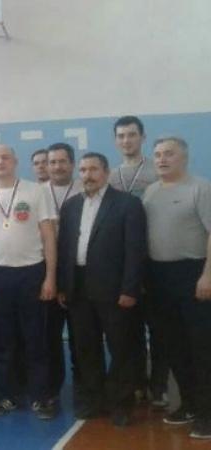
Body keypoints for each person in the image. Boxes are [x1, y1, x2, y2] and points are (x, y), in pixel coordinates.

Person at [57, 152, 147, 427]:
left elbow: (136, 250)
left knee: (121, 348)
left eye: (94, 169)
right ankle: (94, 401)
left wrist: (130, 288)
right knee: (86, 348)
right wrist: (64, 285)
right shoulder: (71, 206)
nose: (88, 175)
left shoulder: (127, 204)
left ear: (106, 172)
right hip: (78, 288)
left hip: (115, 289)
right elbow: (65, 248)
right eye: (83, 170)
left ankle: (121, 404)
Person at [0, 144, 57, 419]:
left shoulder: (36, 191)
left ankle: (41, 397)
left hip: (31, 272)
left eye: (5, 157)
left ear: (15, 160)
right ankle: (6, 395)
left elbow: (48, 235)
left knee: (35, 339)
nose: (0, 162)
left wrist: (50, 277)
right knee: (3, 340)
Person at [143, 136, 211, 440]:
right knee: (173, 346)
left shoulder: (200, 188)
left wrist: (207, 276)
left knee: (202, 347)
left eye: (169, 154)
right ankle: (189, 405)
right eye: (157, 154)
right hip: (159, 277)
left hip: (194, 274)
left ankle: (208, 414)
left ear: (184, 157)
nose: (162, 159)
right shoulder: (150, 192)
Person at [108, 115, 166, 409]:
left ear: (142, 138)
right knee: (128, 330)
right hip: (122, 264)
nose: (126, 140)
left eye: (131, 135)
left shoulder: (158, 171)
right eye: (121, 136)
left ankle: (159, 385)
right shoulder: (111, 177)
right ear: (115, 141)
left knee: (159, 328)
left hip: (155, 260)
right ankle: (136, 382)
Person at [43, 142, 83, 406]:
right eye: (52, 162)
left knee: (82, 334)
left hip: (78, 273)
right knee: (49, 336)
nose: (57, 166)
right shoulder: (38, 193)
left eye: (62, 161)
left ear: (72, 164)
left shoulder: (84, 190)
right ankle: (52, 388)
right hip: (46, 272)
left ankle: (84, 384)